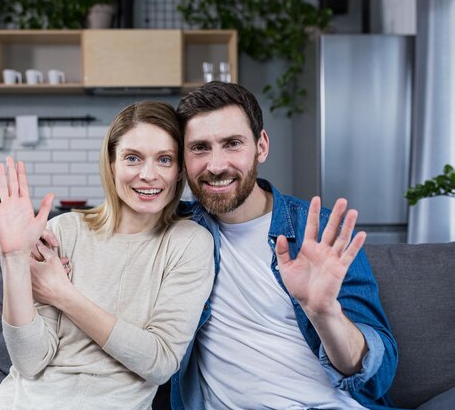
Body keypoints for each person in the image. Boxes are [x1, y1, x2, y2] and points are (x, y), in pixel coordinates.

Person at [170, 82, 399, 410]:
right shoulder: (176, 233)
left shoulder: (317, 230)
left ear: (261, 146)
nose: (216, 165)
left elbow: (378, 375)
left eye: (232, 144)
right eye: (200, 148)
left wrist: (325, 313)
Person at [0, 101, 215, 410]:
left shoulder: (188, 244)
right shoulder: (64, 231)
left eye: (164, 159)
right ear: (111, 164)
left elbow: (159, 361)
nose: (148, 174)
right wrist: (13, 258)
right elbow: (30, 361)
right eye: (133, 158)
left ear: (178, 172)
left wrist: (64, 295)